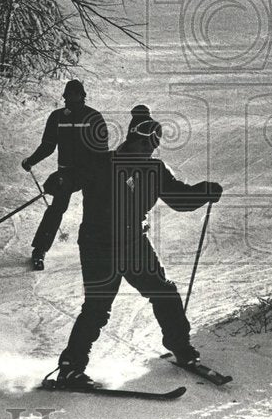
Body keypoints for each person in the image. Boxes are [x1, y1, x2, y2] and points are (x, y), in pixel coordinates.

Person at [52, 107, 223, 388]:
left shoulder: (155, 170)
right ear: (133, 140)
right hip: (98, 246)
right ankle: (70, 368)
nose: (149, 150)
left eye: (153, 145)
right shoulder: (102, 163)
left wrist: (205, 192)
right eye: (145, 144)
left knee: (164, 292)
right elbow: (72, 179)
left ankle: (182, 350)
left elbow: (179, 199)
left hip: (133, 244)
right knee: (97, 308)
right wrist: (60, 181)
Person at [22, 79, 108, 271]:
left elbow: (102, 151)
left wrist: (98, 174)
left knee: (95, 210)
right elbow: (48, 146)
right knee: (56, 209)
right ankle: (39, 250)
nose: (70, 99)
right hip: (67, 172)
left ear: (82, 96)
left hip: (89, 173)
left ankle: (99, 251)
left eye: (75, 95)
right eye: (68, 95)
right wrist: (31, 161)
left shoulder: (93, 117)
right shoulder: (57, 117)